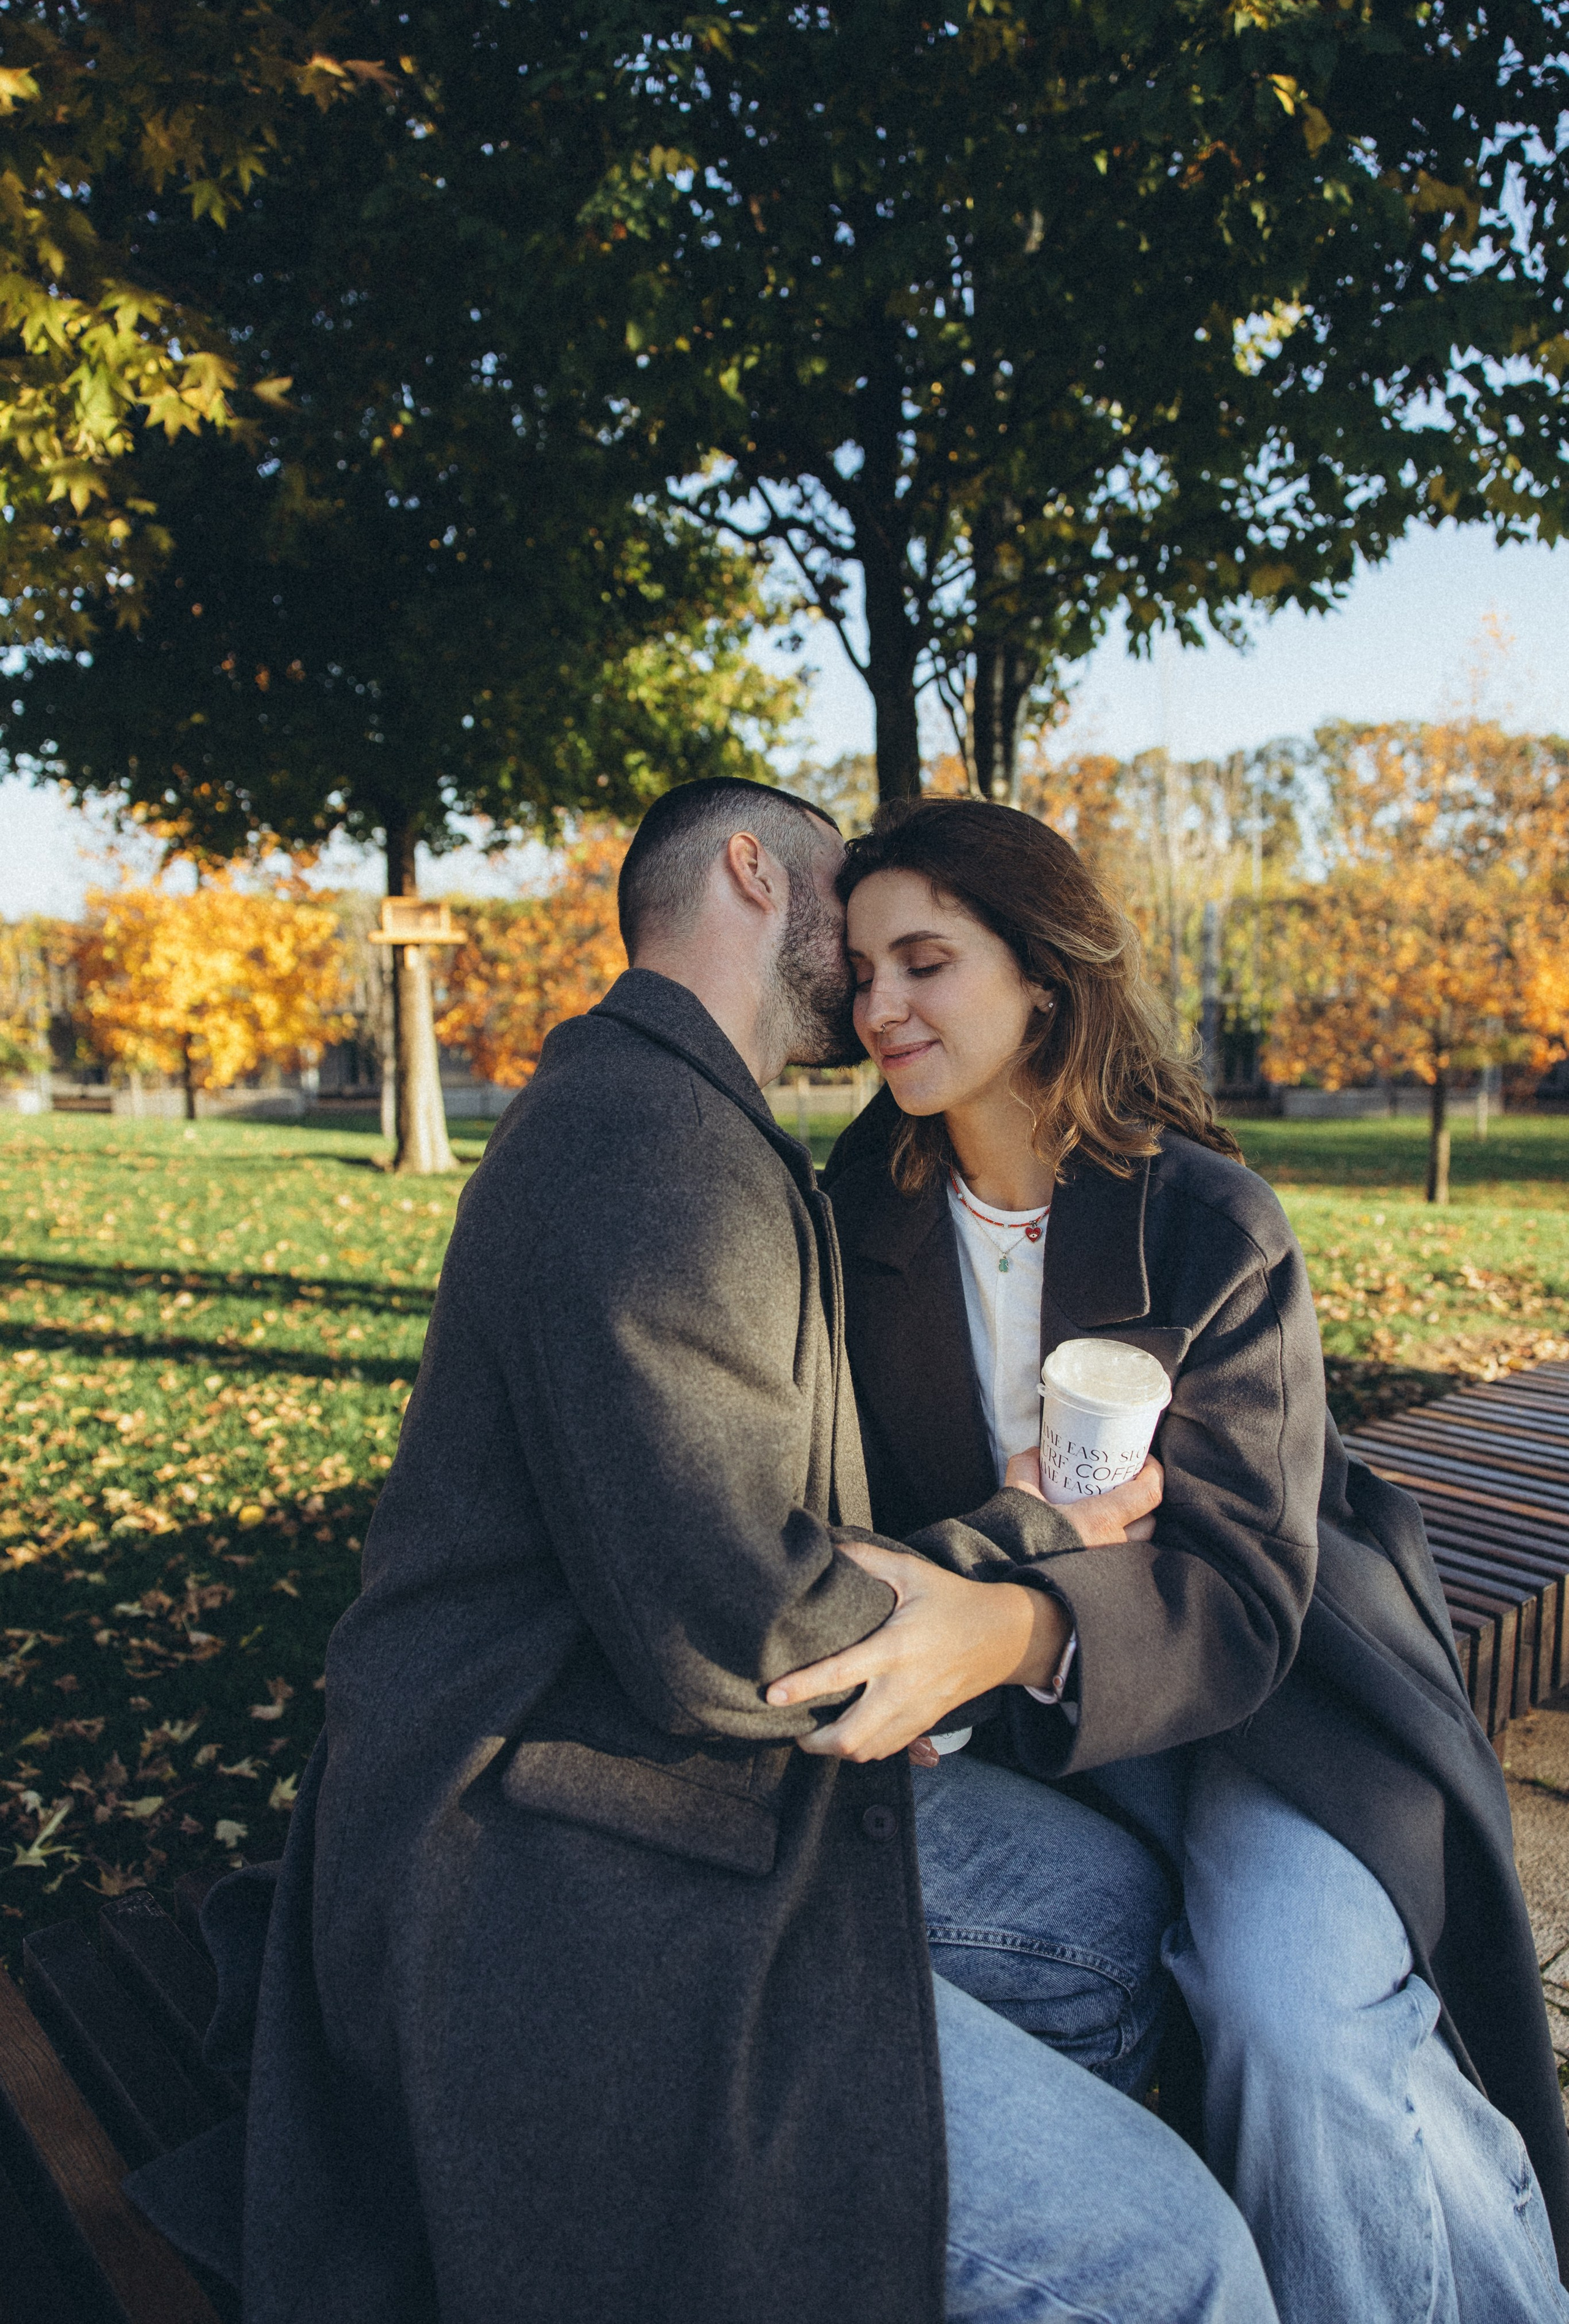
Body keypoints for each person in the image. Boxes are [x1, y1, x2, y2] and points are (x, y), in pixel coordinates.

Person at [179, 778, 1277, 2324]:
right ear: (759, 876)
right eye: (857, 920)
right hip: (547, 1845)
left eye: (925, 957)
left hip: (661, 1761)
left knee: (1112, 1916)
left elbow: (740, 1538)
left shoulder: (685, 1124)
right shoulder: (644, 1154)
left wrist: (967, 1588)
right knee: (1172, 2261)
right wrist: (1028, 1534)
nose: (875, 973)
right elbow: (743, 1637)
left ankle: (885, 2229)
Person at [800, 796, 1569, 2324]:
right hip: (1033, 1747)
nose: (878, 1008)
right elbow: (857, 1512)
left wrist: (1009, 1627)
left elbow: (1235, 1593)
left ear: (1041, 978)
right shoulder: (850, 1210)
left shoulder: (1208, 1216)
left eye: (925, 962)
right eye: (861, 971)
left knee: (1294, 2020)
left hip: (1274, 1704)